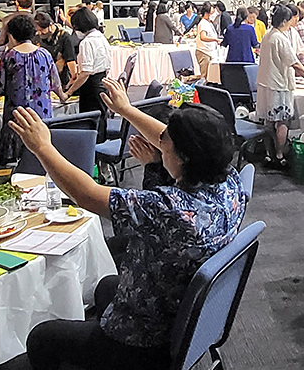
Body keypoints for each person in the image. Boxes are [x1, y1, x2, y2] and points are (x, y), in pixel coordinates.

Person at [19, 82, 246, 370]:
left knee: (42, 337)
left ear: (183, 156)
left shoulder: (168, 208)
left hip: (146, 341)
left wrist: (42, 147)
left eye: (166, 143)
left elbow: (87, 194)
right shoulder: (229, 181)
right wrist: (125, 110)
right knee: (105, 287)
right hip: (184, 313)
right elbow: (175, 140)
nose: (160, 143)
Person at [0, 14, 69, 165]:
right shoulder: (45, 54)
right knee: (42, 155)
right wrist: (63, 96)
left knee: (15, 157)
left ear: (11, 35)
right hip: (41, 113)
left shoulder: (10, 56)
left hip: (17, 114)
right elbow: (55, 83)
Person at [258, 4, 304, 167]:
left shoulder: (268, 35)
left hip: (266, 82)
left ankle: (268, 153)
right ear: (284, 21)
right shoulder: (280, 38)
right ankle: (280, 154)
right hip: (279, 85)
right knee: (282, 121)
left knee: (269, 121)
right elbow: (294, 63)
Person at [65, 7, 112, 119]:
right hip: (102, 84)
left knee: (90, 121)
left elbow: (86, 72)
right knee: (100, 121)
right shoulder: (101, 37)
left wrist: (69, 92)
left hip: (91, 88)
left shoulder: (87, 42)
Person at [35, 11, 80, 88]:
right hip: (41, 76)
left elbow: (70, 59)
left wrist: (74, 77)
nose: (40, 33)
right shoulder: (36, 36)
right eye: (38, 30)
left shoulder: (63, 36)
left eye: (42, 30)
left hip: (61, 76)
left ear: (50, 25)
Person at [193, 2, 222, 77]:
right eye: (211, 13)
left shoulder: (208, 23)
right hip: (204, 52)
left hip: (209, 51)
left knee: (209, 75)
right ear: (206, 13)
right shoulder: (203, 23)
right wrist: (215, 39)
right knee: (204, 75)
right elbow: (203, 37)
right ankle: (187, 79)